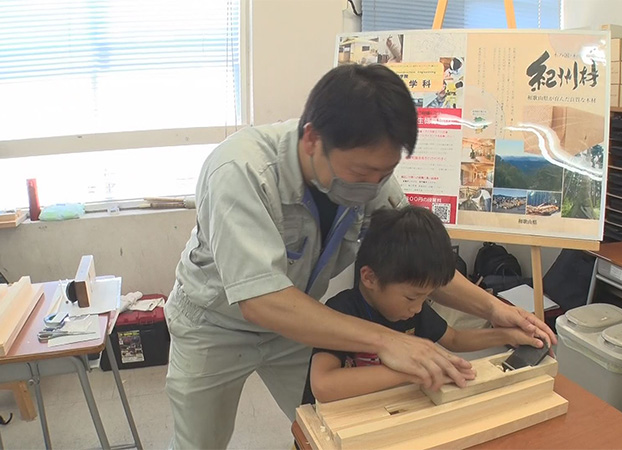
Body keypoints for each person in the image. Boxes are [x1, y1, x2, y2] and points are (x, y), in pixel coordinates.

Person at [164, 63, 556, 449]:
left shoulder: (373, 179)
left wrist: (493, 308)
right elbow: (261, 300)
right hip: (213, 324)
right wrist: (388, 341)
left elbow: (417, 262)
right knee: (199, 443)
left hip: (297, 319)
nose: (373, 185)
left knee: (329, 428)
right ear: (312, 139)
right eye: (361, 172)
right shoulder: (240, 170)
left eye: (384, 173)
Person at [304, 206, 549, 404]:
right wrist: (410, 371)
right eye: (412, 298)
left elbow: (454, 339)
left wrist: (507, 335)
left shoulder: (410, 311)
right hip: (330, 427)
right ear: (370, 278)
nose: (418, 308)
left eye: (427, 297)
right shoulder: (341, 312)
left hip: (384, 413)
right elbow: (323, 385)